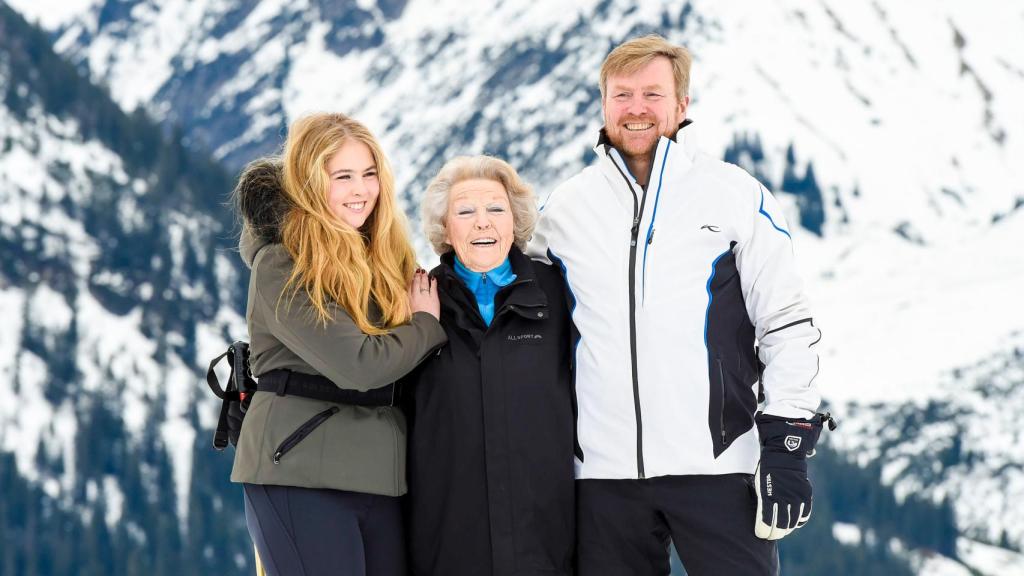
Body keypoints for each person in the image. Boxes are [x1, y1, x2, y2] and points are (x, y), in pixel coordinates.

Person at [529, 35, 833, 576]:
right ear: (603, 103)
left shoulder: (735, 196)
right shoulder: (564, 211)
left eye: (653, 94)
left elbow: (787, 323)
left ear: (682, 105)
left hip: (718, 468)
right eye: (622, 95)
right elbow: (520, 320)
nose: (636, 108)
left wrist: (787, 445)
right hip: (602, 478)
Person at [230, 113, 447, 576]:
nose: (360, 190)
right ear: (310, 182)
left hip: (380, 478)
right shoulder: (281, 262)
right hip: (298, 470)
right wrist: (426, 326)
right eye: (342, 176)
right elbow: (360, 365)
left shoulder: (385, 256)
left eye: (369, 174)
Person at [401, 156, 576, 576]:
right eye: (465, 211)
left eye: (496, 209)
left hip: (545, 538)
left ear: (514, 222)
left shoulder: (557, 292)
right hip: (447, 541)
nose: (483, 223)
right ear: (445, 228)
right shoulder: (416, 300)